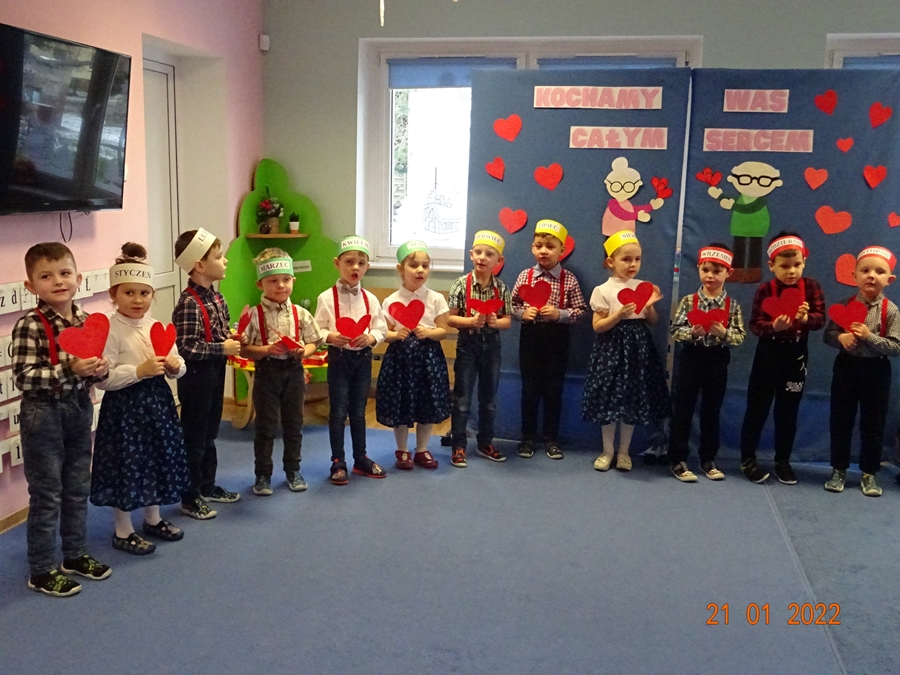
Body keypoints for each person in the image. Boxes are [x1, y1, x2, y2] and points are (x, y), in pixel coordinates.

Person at [13, 242, 111, 596]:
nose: (57, 281)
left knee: (77, 487)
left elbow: (97, 373)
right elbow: (24, 377)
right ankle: (41, 570)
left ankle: (74, 554)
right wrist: (70, 369)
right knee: (47, 493)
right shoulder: (30, 325)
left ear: (78, 279)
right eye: (46, 276)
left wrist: (100, 369)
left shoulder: (85, 321)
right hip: (43, 415)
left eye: (65, 273)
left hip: (79, 408)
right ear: (31, 286)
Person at [90, 243, 190, 555]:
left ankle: (153, 519)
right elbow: (103, 378)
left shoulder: (155, 326)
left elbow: (178, 363)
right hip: (125, 409)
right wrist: (139, 371)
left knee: (156, 459)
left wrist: (174, 367)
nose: (137, 300)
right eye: (129, 293)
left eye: (144, 293)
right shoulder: (109, 329)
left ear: (152, 295)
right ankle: (123, 530)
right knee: (127, 465)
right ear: (114, 294)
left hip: (157, 404)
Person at [739, 232, 825, 484]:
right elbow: (755, 324)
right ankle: (747, 459)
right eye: (785, 266)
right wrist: (773, 327)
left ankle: (783, 461)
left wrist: (806, 318)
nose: (791, 271)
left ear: (804, 262)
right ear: (771, 265)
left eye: (797, 264)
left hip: (796, 356)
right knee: (757, 408)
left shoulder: (811, 287)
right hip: (768, 354)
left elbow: (820, 319)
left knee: (788, 412)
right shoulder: (765, 289)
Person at [582, 230, 670, 472]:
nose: (633, 265)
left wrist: (649, 308)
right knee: (609, 400)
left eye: (637, 259)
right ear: (611, 262)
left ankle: (624, 452)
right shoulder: (603, 290)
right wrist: (618, 314)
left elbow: (652, 321)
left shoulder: (644, 287)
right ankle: (607, 451)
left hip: (637, 349)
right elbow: (598, 326)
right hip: (611, 348)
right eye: (626, 259)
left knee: (631, 399)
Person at [172, 229, 243, 519]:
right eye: (218, 256)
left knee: (211, 432)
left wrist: (231, 337)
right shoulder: (188, 303)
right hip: (196, 376)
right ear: (200, 265)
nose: (225, 260)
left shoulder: (217, 297)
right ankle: (189, 496)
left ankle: (207, 485)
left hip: (214, 372)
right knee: (195, 436)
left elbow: (219, 332)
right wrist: (221, 348)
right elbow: (186, 346)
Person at [241, 249, 323, 495]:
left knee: (294, 424)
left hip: (293, 371)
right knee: (265, 426)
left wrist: (304, 351)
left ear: (293, 280)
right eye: (273, 281)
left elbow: (315, 341)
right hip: (266, 373)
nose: (280, 285)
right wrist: (266, 349)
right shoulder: (254, 315)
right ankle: (263, 474)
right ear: (260, 284)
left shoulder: (301, 313)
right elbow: (244, 350)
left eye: (286, 279)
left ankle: (293, 470)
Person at [823, 246, 900, 497]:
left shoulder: (891, 310)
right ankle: (838, 469)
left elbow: (896, 346)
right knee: (840, 420)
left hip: (876, 371)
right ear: (854, 276)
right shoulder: (844, 305)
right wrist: (841, 338)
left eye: (879, 272)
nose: (871, 276)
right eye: (865, 270)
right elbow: (828, 334)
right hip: (847, 368)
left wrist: (870, 337)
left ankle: (869, 472)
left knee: (873, 424)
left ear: (889, 280)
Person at [314, 236, 388, 485]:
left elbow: (381, 328)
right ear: (337, 263)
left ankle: (360, 458)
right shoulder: (326, 298)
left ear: (367, 266)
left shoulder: (370, 299)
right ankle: (338, 460)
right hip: (339, 358)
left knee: (358, 411)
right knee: (337, 412)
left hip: (362, 359)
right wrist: (330, 336)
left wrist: (371, 337)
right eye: (349, 262)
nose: (355, 267)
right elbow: (317, 329)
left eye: (361, 263)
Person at [669, 244, 746, 482]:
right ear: (698, 269)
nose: (710, 276)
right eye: (705, 270)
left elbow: (740, 337)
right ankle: (678, 458)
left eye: (717, 271)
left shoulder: (732, 306)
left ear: (728, 273)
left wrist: (724, 333)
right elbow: (675, 329)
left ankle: (708, 459)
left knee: (712, 411)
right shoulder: (688, 301)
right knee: (683, 409)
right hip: (691, 358)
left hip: (717, 360)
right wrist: (692, 333)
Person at [511, 219, 586, 459]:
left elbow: (581, 311)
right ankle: (527, 438)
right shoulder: (525, 276)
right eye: (538, 246)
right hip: (530, 338)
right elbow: (510, 306)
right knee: (529, 390)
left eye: (550, 247)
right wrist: (522, 314)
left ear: (561, 250)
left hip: (557, 339)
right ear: (532, 248)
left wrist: (560, 314)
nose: (543, 251)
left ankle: (551, 438)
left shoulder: (569, 279)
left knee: (553, 390)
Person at [377, 240, 451, 470]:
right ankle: (402, 450)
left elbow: (443, 330)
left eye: (425, 266)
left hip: (428, 359)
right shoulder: (391, 301)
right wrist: (395, 334)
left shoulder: (435, 298)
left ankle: (422, 449)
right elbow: (383, 332)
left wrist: (429, 332)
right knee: (400, 404)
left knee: (426, 403)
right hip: (400, 360)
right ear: (401, 269)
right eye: (414, 265)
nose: (420, 270)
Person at [448, 230, 513, 466]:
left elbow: (508, 321)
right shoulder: (460, 285)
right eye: (478, 252)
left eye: (489, 254)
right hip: (468, 346)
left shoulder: (501, 288)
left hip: (492, 347)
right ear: (471, 255)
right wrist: (470, 321)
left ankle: (485, 443)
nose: (482, 257)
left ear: (499, 260)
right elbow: (451, 319)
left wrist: (497, 322)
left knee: (489, 400)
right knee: (462, 398)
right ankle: (458, 446)